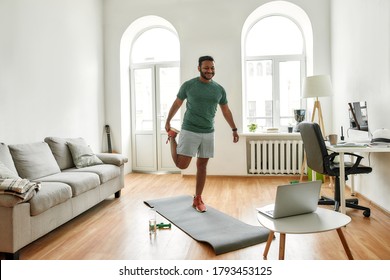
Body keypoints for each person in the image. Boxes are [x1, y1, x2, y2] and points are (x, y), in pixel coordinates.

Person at [164, 55, 239, 212]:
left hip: (208, 132)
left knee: (202, 166)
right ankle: (172, 137)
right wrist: (168, 121)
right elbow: (177, 103)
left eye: (212, 68)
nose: (209, 70)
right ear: (199, 68)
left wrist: (234, 129)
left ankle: (197, 198)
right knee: (182, 165)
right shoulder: (189, 85)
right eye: (206, 68)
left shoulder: (219, 89)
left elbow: (226, 111)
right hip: (190, 129)